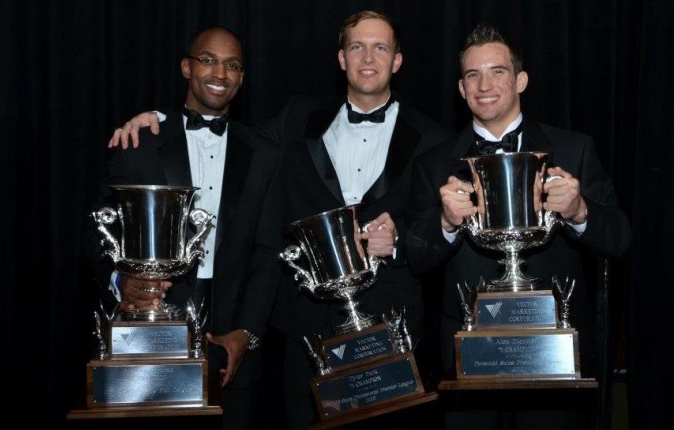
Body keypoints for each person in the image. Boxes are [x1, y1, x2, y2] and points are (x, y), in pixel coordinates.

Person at [108, 11, 453, 429]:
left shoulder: (433, 139)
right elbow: (230, 139)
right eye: (356, 46)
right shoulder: (296, 119)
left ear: (397, 61)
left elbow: (439, 235)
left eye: (380, 47)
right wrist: (159, 119)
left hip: (392, 327)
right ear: (341, 58)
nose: (367, 58)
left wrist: (399, 241)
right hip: (306, 332)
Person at [403, 24, 631, 429]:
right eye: (472, 75)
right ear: (460, 88)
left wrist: (579, 211)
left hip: (551, 360)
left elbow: (619, 238)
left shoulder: (572, 150)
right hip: (469, 361)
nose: (484, 84)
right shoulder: (434, 163)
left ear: (520, 79)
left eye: (497, 71)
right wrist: (446, 223)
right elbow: (417, 258)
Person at [86, 26, 283, 430]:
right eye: (208, 60)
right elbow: (98, 229)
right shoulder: (140, 141)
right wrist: (120, 281)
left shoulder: (265, 153)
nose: (220, 73)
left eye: (232, 65)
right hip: (151, 320)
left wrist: (245, 334)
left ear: (242, 77)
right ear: (186, 67)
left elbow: (268, 251)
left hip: (232, 335)